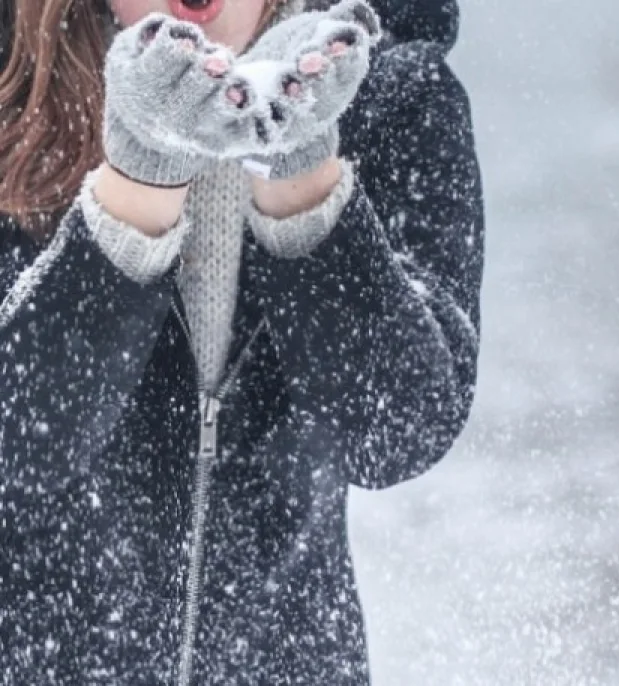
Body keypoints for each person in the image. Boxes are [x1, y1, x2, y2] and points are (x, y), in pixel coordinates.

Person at [0, 0, 484, 682]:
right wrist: (138, 183)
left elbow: (397, 433)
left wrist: (304, 179)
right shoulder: (11, 90)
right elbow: (18, 450)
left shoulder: (394, 98)